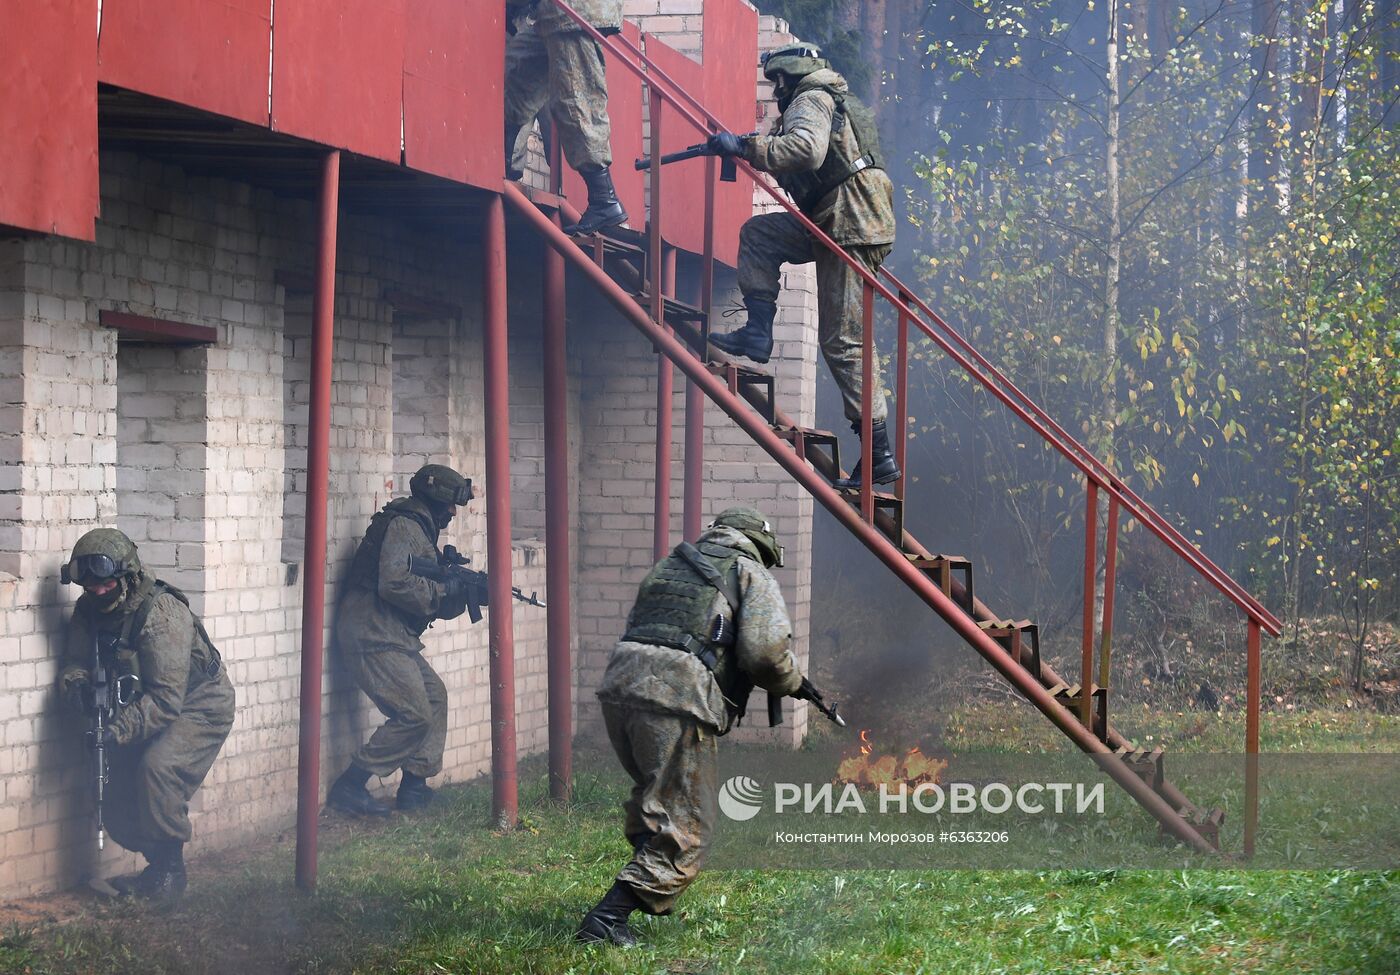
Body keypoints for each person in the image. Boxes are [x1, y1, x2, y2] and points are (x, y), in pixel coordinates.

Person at [577, 506, 809, 946]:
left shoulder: (671, 565)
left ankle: (646, 877)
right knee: (691, 824)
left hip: (622, 686)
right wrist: (792, 681)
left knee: (659, 796)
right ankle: (607, 918)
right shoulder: (749, 573)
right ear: (759, 544)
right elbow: (765, 653)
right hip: (675, 698)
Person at [706, 45, 901, 490]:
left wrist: (747, 146)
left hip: (849, 223)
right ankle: (758, 332)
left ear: (793, 75)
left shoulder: (811, 98)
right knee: (761, 235)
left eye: (778, 81)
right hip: (835, 219)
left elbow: (806, 150)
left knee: (842, 341)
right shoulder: (821, 96)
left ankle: (878, 454)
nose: (776, 90)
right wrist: (746, 147)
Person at [57, 528, 235, 904]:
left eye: (106, 583)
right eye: (89, 585)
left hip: (199, 704)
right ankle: (157, 863)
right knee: (114, 792)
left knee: (158, 769)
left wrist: (115, 732)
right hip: (140, 707)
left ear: (127, 576)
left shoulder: (161, 613)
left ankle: (171, 874)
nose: (97, 590)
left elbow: (167, 700)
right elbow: (73, 661)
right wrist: (78, 689)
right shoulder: (88, 609)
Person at [325, 464, 475, 817]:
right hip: (372, 630)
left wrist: (462, 593)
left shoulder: (419, 528)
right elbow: (394, 583)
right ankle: (350, 785)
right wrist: (442, 590)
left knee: (434, 697)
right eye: (449, 505)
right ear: (433, 500)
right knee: (413, 714)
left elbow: (428, 599)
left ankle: (414, 787)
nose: (453, 513)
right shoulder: (405, 525)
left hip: (390, 632)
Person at [505, 0, 628, 236]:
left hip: (573, 11)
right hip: (551, 13)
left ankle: (604, 200)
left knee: (575, 102)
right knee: (517, 71)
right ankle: (502, 160)